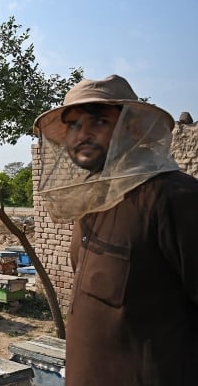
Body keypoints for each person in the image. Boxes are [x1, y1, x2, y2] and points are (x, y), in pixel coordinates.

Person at [34, 74, 198, 385]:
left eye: (98, 121)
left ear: (133, 128)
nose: (82, 134)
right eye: (73, 125)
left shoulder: (173, 198)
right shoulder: (92, 202)